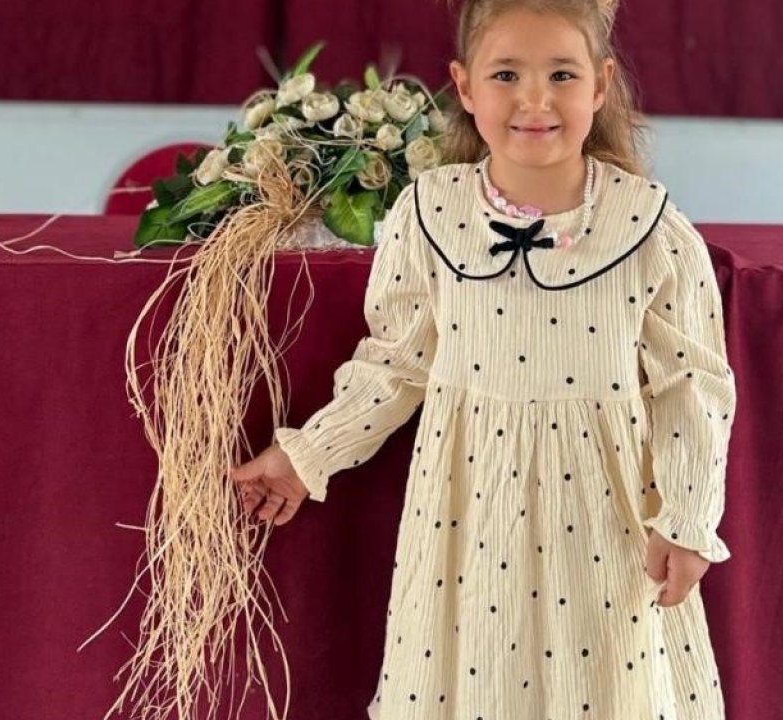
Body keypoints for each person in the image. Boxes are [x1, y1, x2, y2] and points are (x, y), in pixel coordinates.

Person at [229, 0, 738, 716]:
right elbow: (397, 363)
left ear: (600, 84)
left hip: (606, 519)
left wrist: (686, 519)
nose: (535, 99)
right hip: (469, 515)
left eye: (561, 74)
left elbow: (693, 384)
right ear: (465, 87)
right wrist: (307, 454)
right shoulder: (430, 212)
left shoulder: (649, 226)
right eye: (506, 75)